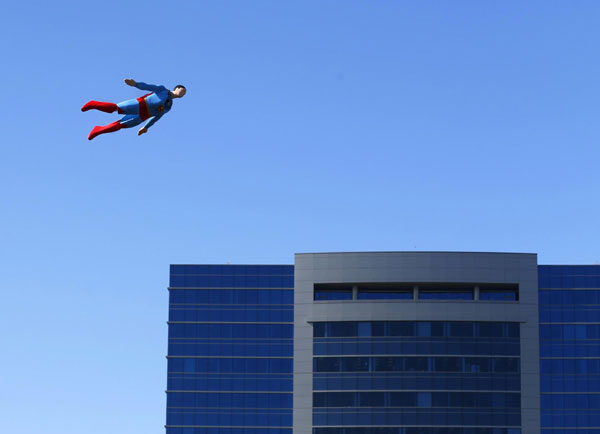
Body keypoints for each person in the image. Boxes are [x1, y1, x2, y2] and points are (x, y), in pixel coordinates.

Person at [81, 79, 186, 140]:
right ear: (176, 88)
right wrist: (135, 84)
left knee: (120, 125)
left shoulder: (169, 106)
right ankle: (93, 104)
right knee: (115, 108)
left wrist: (146, 127)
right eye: (182, 90)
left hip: (143, 116)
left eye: (184, 93)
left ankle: (98, 130)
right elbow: (148, 86)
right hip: (141, 104)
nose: (182, 93)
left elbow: (156, 117)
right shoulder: (162, 90)